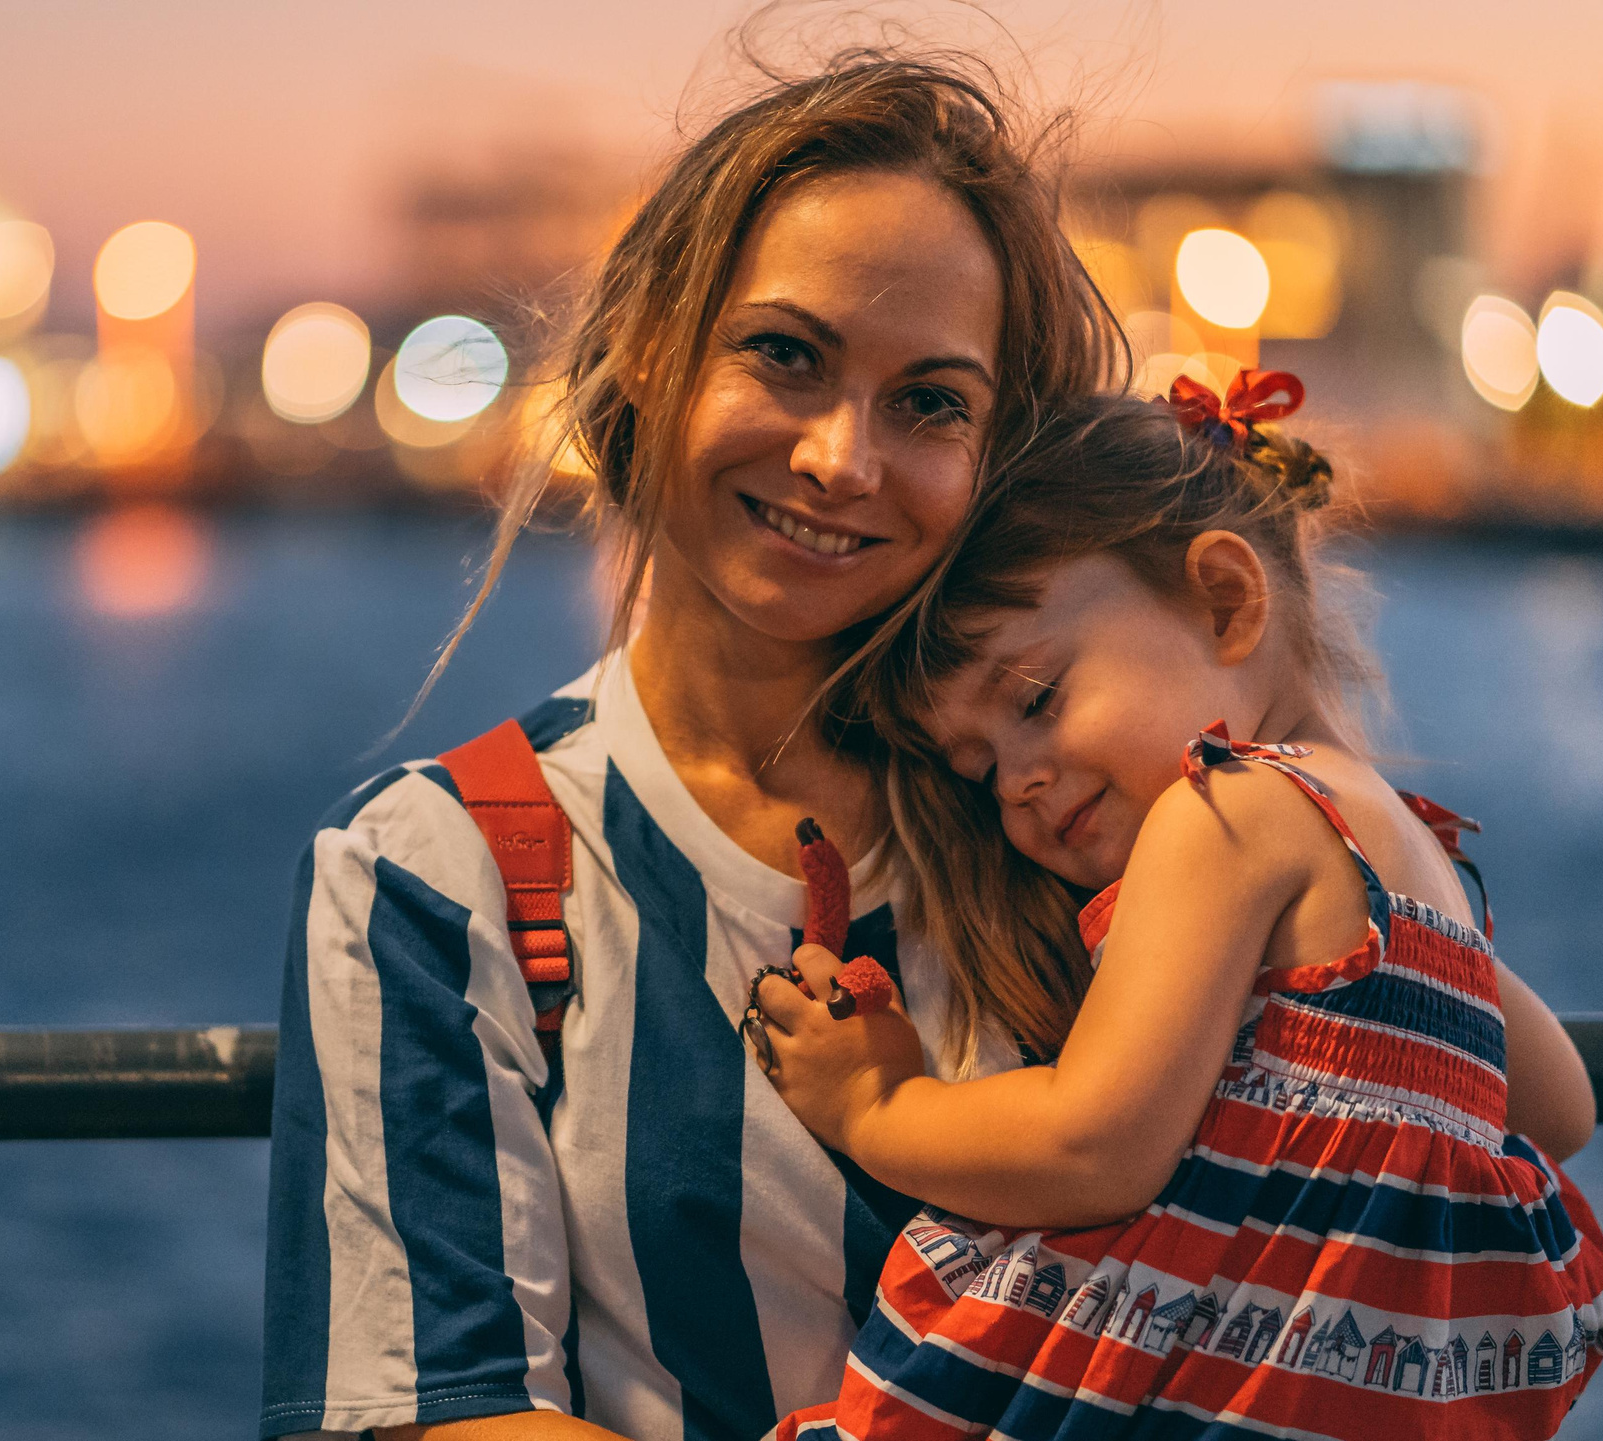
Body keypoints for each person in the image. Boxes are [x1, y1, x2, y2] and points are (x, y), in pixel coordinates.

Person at [261, 53, 1127, 1441]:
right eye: (786, 355)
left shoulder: (1086, 821)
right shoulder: (439, 871)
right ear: (649, 359)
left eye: (930, 403)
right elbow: (437, 1412)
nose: (845, 459)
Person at [747, 379, 1603, 1439]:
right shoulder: (1406, 858)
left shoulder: (1226, 811)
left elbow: (1092, 1145)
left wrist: (872, 1107)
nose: (1016, 782)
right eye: (978, 769)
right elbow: (1559, 1105)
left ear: (1223, 599)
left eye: (1034, 700)